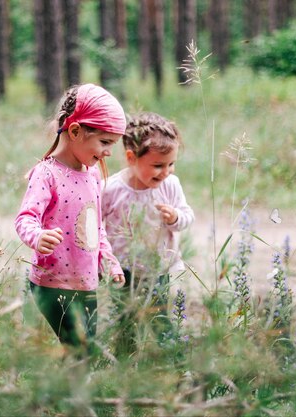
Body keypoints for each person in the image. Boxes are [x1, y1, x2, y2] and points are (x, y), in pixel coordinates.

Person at [15, 83, 126, 355]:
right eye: (105, 142)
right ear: (75, 131)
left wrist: (109, 262)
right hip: (52, 284)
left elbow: (95, 228)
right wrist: (38, 236)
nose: (109, 152)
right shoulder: (47, 174)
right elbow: (25, 218)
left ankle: (65, 394)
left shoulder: (92, 175)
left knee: (84, 352)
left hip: (87, 282)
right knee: (80, 350)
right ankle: (61, 396)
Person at [101, 112, 194, 354]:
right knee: (125, 319)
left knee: (159, 318)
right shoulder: (111, 189)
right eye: (157, 166)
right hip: (122, 270)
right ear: (131, 157)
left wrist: (175, 217)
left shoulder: (170, 186)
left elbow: (187, 216)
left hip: (156, 268)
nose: (166, 172)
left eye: (171, 164)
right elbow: (97, 225)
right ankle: (125, 361)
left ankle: (171, 361)